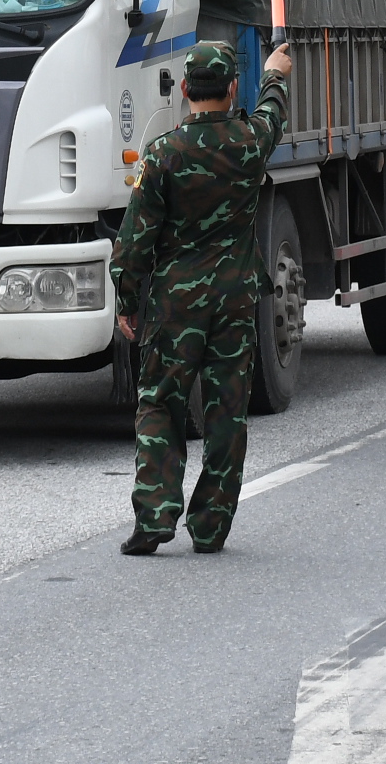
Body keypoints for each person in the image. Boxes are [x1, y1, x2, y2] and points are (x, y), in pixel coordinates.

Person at [110, 36, 291, 556]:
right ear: (233, 88)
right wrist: (276, 72)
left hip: (174, 305)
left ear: (185, 88)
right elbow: (272, 112)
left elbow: (134, 241)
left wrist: (127, 301)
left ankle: (155, 517)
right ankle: (210, 526)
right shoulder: (250, 142)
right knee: (227, 412)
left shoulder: (162, 155)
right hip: (235, 302)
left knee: (160, 403)